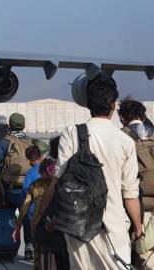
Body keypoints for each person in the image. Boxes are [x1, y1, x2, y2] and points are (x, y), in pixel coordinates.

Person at [42, 73, 142, 269]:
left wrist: (47, 214)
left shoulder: (72, 133)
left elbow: (57, 181)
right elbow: (130, 195)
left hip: (77, 226)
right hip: (113, 229)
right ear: (113, 105)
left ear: (88, 104)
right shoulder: (126, 142)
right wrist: (137, 226)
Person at [118, 98, 154, 269]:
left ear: (122, 118)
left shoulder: (120, 137)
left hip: (136, 208)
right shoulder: (152, 134)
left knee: (138, 255)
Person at [13, 158, 56, 270]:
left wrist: (18, 224)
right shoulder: (56, 185)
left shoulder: (34, 185)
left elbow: (25, 206)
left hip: (37, 221)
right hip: (54, 222)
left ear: (41, 171)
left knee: (38, 251)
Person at [0, 113, 32, 207]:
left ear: (10, 125)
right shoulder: (31, 142)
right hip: (29, 186)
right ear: (24, 125)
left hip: (8, 186)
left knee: (6, 214)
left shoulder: (3, 142)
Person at [19, 145, 44, 260]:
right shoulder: (47, 170)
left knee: (26, 221)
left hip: (32, 211)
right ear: (40, 157)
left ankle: (29, 247)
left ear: (30, 160)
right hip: (45, 210)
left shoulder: (30, 173)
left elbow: (25, 192)